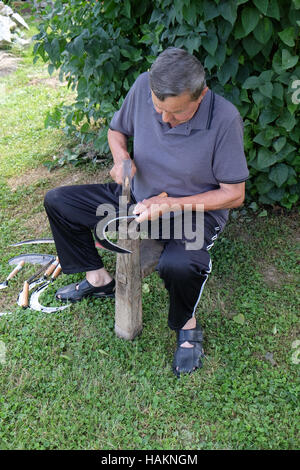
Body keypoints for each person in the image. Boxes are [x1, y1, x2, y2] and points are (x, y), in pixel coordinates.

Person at [44, 47, 249, 377]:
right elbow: (116, 131)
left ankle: (187, 326)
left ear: (202, 95)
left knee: (181, 264)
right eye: (159, 110)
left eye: (177, 113)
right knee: (59, 202)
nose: (165, 120)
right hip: (137, 200)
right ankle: (98, 279)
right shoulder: (143, 85)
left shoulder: (224, 119)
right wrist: (121, 158)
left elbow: (233, 194)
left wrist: (171, 205)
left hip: (192, 213)